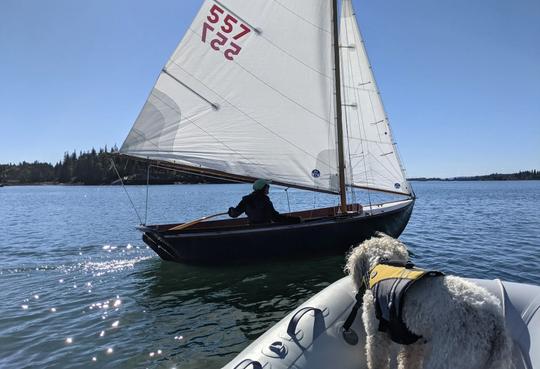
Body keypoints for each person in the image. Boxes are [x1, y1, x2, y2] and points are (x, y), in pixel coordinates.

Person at [228, 179, 302, 225]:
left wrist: (231, 210)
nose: (268, 188)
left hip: (252, 228)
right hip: (265, 229)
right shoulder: (265, 200)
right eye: (267, 186)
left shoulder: (246, 199)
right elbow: (276, 218)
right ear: (263, 188)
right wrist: (296, 219)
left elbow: (234, 214)